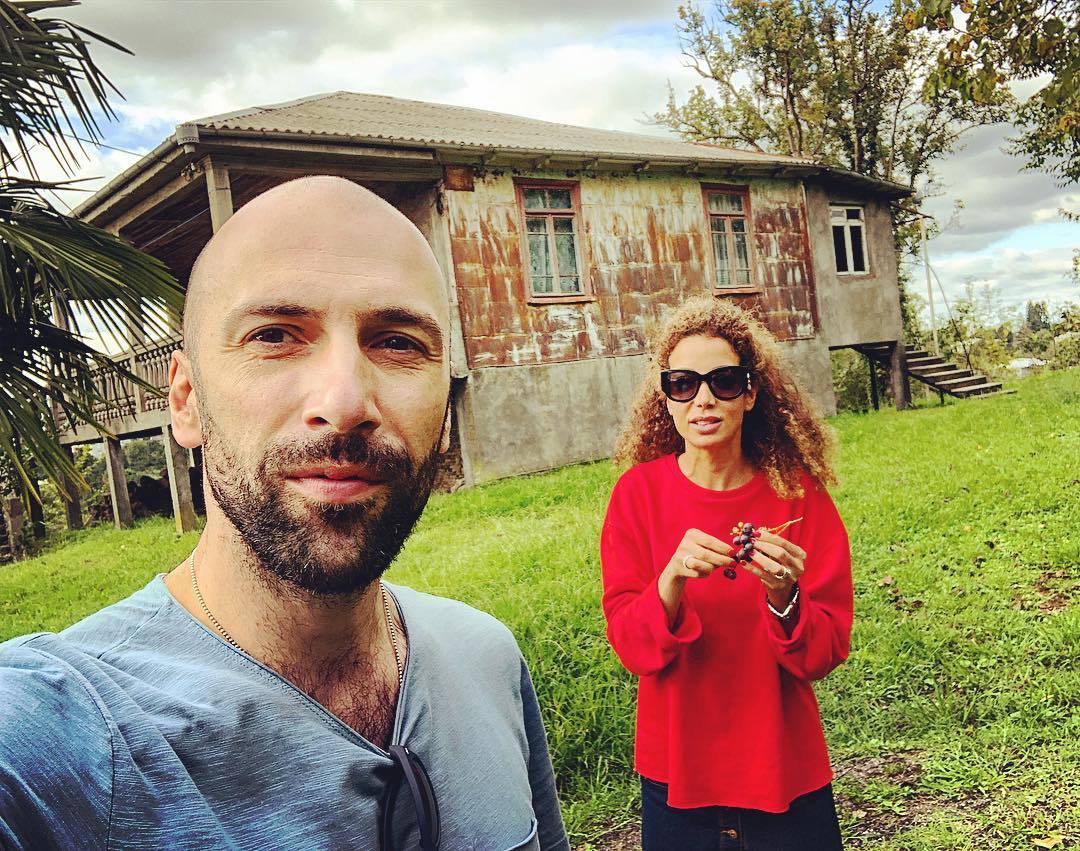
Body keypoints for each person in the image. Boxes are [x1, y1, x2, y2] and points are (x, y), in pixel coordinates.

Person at [0, 176, 569, 851]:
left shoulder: (487, 657)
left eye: (397, 342)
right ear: (186, 400)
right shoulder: (60, 729)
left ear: (445, 409)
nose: (346, 401)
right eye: (274, 335)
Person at [600, 296, 853, 850]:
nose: (704, 399)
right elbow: (631, 648)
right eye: (683, 384)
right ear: (665, 398)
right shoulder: (636, 496)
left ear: (751, 392)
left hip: (784, 767)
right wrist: (670, 582)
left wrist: (785, 596)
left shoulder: (798, 496)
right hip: (679, 772)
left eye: (724, 381)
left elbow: (824, 653)